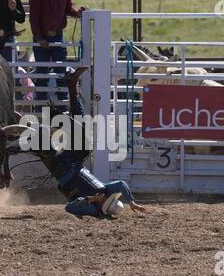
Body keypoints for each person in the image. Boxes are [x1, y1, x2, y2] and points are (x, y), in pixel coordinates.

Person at [8, 67, 146, 218]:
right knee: (82, 128)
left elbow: (70, 207)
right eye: (108, 197)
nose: (106, 197)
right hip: (76, 162)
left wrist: (92, 198)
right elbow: (120, 184)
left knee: (40, 139)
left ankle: (10, 139)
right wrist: (131, 202)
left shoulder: (93, 210)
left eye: (107, 200)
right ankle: (72, 88)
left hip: (64, 171)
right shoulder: (104, 190)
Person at [29, 0, 87, 111]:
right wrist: (39, 37)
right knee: (42, 73)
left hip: (57, 36)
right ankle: (40, 108)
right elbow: (33, 18)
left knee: (61, 72)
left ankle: (62, 107)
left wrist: (77, 13)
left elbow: (68, 9)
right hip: (43, 37)